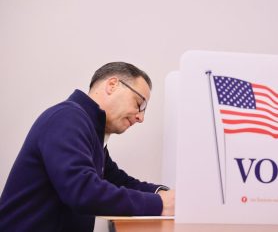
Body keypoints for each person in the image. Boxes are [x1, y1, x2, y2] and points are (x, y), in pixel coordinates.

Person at [0, 62, 175, 231]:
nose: (140, 117)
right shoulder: (67, 118)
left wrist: (165, 194)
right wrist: (160, 204)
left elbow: (119, 180)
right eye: (140, 104)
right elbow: (83, 192)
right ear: (113, 85)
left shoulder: (89, 129)